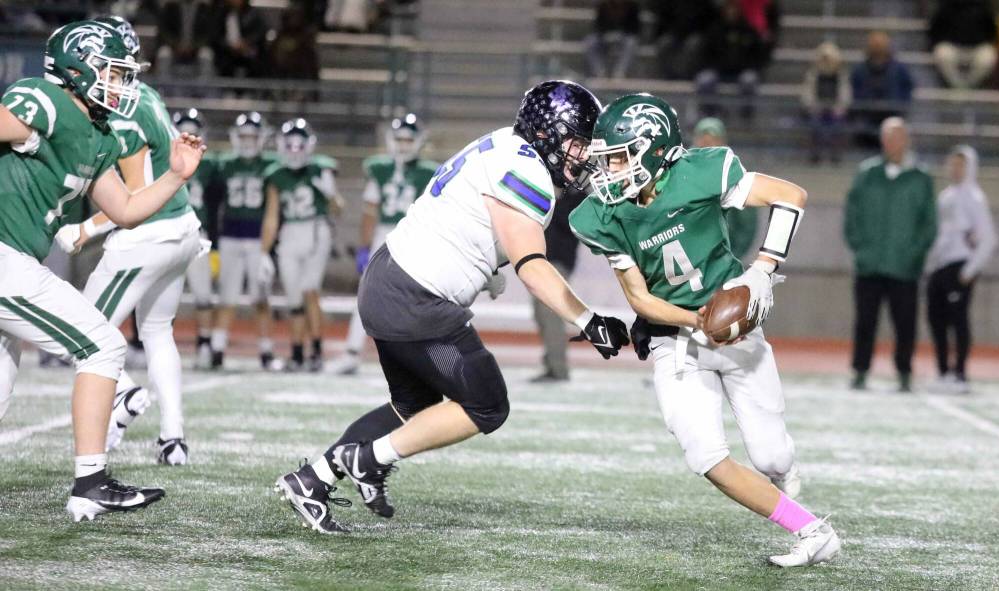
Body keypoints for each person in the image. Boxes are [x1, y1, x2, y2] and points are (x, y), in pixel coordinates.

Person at [274, 80, 629, 534]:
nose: (584, 157)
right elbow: (534, 266)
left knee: (414, 406)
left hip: (391, 278)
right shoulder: (529, 173)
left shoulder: (503, 143)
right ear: (548, 136)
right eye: (578, 144)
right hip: (415, 297)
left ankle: (313, 479)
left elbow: (475, 217)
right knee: (487, 405)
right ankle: (367, 459)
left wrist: (487, 266)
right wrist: (589, 319)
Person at [570, 92, 839, 568]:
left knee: (771, 457)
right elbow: (639, 298)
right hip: (674, 338)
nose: (608, 171)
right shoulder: (604, 215)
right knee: (705, 455)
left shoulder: (700, 172)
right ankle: (812, 531)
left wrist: (761, 271)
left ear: (652, 150)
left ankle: (786, 474)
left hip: (737, 329)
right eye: (605, 159)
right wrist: (698, 322)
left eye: (618, 157)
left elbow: (790, 196)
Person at [0, 19, 205, 520]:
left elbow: (127, 210)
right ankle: (90, 482)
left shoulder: (98, 135)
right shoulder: (43, 99)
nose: (122, 84)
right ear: (79, 70)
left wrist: (176, 175)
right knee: (103, 344)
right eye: (113, 74)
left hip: (17, 258)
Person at [53, 16, 206, 465]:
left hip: (148, 235)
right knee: (158, 331)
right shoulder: (146, 94)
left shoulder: (118, 106)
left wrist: (86, 228)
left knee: (75, 335)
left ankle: (124, 395)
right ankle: (173, 439)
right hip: (181, 229)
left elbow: (135, 195)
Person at [338, 114, 439, 375]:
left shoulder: (430, 171)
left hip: (415, 234)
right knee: (367, 295)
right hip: (385, 234)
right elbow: (370, 212)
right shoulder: (379, 168)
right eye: (400, 139)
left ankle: (422, 356)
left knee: (418, 296)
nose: (404, 145)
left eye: (408, 140)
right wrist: (363, 247)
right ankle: (352, 351)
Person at [844, 117, 937, 393]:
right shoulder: (866, 173)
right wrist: (860, 247)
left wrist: (914, 254)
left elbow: (929, 224)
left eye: (898, 137)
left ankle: (904, 372)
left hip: (904, 267)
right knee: (864, 322)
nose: (892, 143)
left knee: (905, 323)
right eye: (888, 137)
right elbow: (852, 214)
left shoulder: (921, 178)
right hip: (869, 264)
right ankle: (860, 371)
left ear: (906, 140)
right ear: (882, 141)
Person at [263, 119, 340, 372]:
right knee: (294, 298)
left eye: (299, 145)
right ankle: (297, 354)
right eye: (290, 145)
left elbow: (338, 210)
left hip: (315, 229)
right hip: (289, 234)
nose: (295, 150)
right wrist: (263, 252)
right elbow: (272, 216)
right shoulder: (276, 173)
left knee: (310, 290)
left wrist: (330, 194)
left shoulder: (321, 168)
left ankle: (316, 352)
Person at [210, 112, 280, 370]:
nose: (249, 141)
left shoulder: (271, 164)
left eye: (253, 136)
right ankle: (217, 349)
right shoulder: (224, 163)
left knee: (260, 298)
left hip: (256, 239)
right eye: (244, 136)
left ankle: (266, 351)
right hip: (229, 237)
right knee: (226, 296)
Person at [925, 146, 998, 393]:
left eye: (960, 164)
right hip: (940, 266)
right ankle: (943, 371)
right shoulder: (945, 197)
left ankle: (961, 374)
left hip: (960, 266)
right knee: (936, 319)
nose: (955, 169)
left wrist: (970, 269)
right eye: (952, 163)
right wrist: (931, 263)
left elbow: (988, 239)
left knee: (958, 321)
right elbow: (940, 235)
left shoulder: (975, 198)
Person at [174, 108, 222, 369]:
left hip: (197, 234)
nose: (190, 137)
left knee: (203, 294)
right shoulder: (161, 158)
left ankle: (204, 343)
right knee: (160, 291)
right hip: (169, 231)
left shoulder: (210, 165)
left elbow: (215, 206)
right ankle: (142, 344)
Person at [529, 184, 585, 383]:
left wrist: (555, 198)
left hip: (558, 261)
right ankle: (553, 364)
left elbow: (567, 221)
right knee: (540, 313)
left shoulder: (577, 196)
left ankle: (557, 367)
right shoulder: (552, 191)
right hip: (542, 260)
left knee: (549, 313)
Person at [692, 117, 759, 261]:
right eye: (703, 140)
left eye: (712, 140)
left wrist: (732, 256)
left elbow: (747, 225)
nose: (707, 145)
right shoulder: (680, 171)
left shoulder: (735, 176)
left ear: (723, 142)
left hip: (722, 260)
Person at [695, 0, 767, 119]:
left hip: (742, 72)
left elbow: (757, 55)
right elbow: (705, 54)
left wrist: (747, 65)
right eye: (729, 9)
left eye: (734, 9)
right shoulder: (715, 30)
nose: (731, 12)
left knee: (749, 80)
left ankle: (746, 114)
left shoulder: (748, 30)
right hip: (719, 71)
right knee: (704, 80)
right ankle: (710, 112)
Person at [850, 31, 915, 147]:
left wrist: (900, 104)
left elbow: (908, 88)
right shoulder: (859, 70)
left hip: (893, 114)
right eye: (875, 44)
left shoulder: (899, 69)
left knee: (896, 129)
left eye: (880, 44)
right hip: (867, 117)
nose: (878, 47)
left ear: (887, 46)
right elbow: (854, 92)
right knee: (862, 128)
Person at [801, 41, 851, 165]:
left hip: (835, 110)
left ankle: (835, 154)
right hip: (817, 109)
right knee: (815, 124)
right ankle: (815, 154)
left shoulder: (841, 76)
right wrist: (813, 107)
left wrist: (839, 108)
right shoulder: (813, 75)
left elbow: (845, 95)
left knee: (837, 125)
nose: (827, 62)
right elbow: (807, 95)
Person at [929, 0, 997, 89]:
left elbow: (991, 30)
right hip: (952, 47)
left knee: (988, 57)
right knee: (942, 53)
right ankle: (957, 86)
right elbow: (935, 29)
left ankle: (969, 86)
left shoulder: (983, 7)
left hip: (977, 48)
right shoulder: (946, 6)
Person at [652, 0, 717, 80]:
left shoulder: (702, 3)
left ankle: (686, 77)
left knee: (693, 43)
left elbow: (707, 19)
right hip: (675, 33)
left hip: (695, 33)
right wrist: (672, 31)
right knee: (664, 43)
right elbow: (664, 18)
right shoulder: (670, 2)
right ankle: (668, 76)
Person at [154, 0, 216, 83]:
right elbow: (164, 32)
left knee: (206, 55)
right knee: (163, 54)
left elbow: (208, 33)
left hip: (197, 49)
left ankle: (203, 89)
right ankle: (164, 87)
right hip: (174, 48)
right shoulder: (170, 7)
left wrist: (194, 47)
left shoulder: (204, 9)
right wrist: (175, 45)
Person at [584, 0, 641, 79]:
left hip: (624, 37)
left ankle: (620, 72)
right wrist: (607, 34)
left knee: (631, 42)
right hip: (605, 37)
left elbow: (635, 28)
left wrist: (620, 34)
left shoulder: (632, 6)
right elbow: (598, 26)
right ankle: (599, 72)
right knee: (590, 41)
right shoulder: (603, 5)